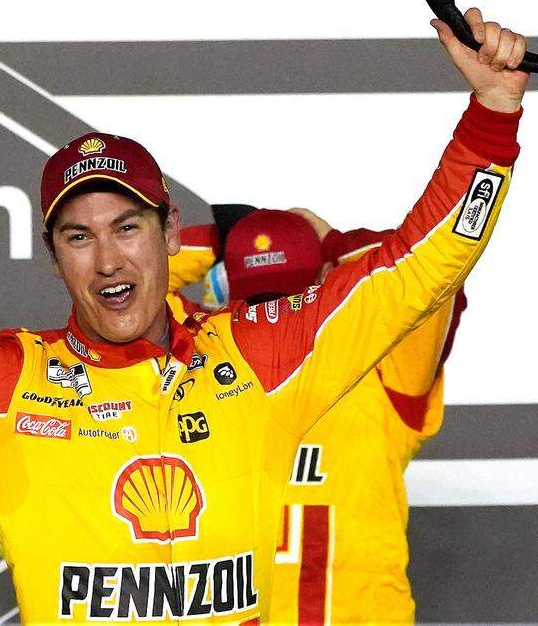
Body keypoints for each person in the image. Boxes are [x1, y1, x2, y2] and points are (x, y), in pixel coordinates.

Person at [0, 10, 528, 624]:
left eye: (128, 228)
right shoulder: (5, 388)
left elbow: (415, 269)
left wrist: (491, 116)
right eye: (79, 236)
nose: (107, 259)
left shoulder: (261, 360)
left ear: (171, 235)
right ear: (53, 256)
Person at [169, 207, 465, 624]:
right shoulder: (194, 362)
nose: (278, 316)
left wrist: (222, 241)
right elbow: (426, 262)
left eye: (293, 297)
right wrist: (332, 245)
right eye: (262, 301)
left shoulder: (382, 363)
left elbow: (439, 273)